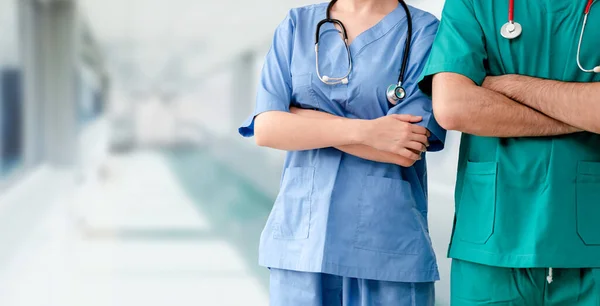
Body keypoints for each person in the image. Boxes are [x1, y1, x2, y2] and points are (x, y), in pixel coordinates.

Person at [238, 0, 446, 305]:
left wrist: (302, 121)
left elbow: (406, 146)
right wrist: (370, 132)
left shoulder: (424, 32)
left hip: (387, 244)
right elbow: (268, 129)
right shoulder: (297, 24)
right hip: (301, 244)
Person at [418, 0, 600, 304]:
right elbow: (453, 107)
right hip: (493, 238)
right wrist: (580, 113)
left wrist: (515, 86)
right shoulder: (473, 4)